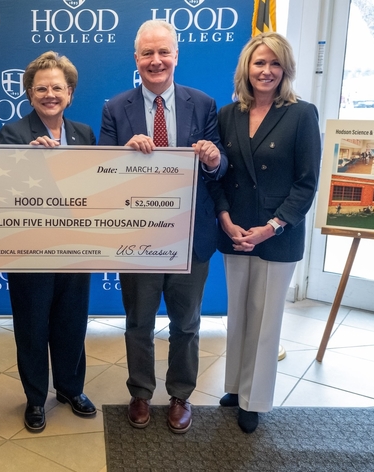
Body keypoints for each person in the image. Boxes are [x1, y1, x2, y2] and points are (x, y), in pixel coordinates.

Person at [98, 20, 227, 434]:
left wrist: (212, 158)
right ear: (136, 59)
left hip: (190, 236)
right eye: (148, 53)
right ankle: (140, 392)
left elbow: (221, 167)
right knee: (139, 321)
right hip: (138, 236)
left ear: (176, 56)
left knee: (187, 324)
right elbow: (100, 172)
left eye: (164, 52)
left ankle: (180, 395)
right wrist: (124, 153)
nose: (157, 61)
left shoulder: (204, 104)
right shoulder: (115, 108)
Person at [208, 32, 321, 433]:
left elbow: (307, 183)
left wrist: (271, 228)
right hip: (236, 231)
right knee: (238, 315)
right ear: (247, 68)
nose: (266, 70)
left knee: (265, 318)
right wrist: (224, 218)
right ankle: (236, 386)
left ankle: (254, 400)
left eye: (275, 63)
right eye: (259, 63)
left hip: (277, 234)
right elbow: (217, 176)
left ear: (285, 69)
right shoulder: (227, 114)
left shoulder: (302, 114)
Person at [0, 51, 97, 433]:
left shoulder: (85, 134)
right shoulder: (13, 133)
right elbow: (3, 192)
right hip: (30, 249)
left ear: (70, 93)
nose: (50, 94)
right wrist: (28, 160)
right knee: (33, 326)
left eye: (58, 87)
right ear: (29, 93)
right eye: (41, 88)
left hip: (75, 248)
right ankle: (36, 398)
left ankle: (71, 389)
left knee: (72, 322)